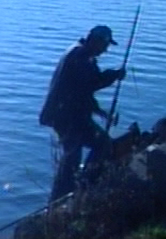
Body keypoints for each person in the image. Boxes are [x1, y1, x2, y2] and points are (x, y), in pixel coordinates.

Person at [39, 25, 126, 202]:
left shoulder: (82, 54)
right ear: (96, 41)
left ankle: (81, 188)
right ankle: (65, 198)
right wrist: (113, 75)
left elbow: (81, 91)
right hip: (66, 117)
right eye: (105, 45)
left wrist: (101, 112)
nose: (106, 50)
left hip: (71, 115)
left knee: (100, 145)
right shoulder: (80, 57)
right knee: (75, 156)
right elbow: (91, 83)